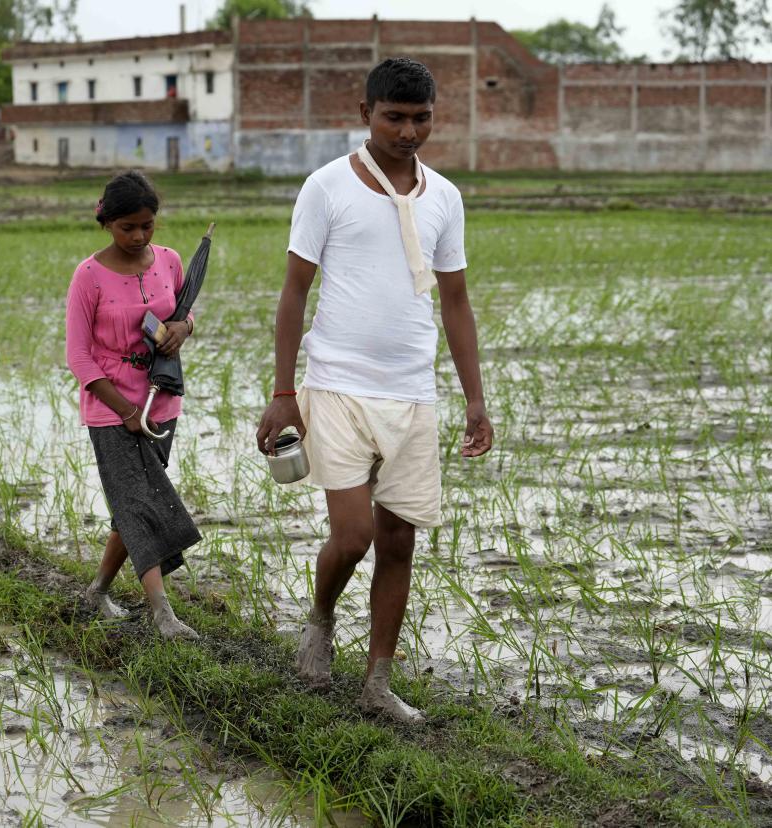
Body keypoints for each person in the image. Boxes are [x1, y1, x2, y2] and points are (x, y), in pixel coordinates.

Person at [255, 58, 494, 723]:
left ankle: (378, 683)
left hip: (414, 393)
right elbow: (295, 291)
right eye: (395, 117)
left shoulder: (444, 196)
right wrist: (283, 392)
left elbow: (456, 301)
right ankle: (321, 621)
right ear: (365, 114)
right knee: (354, 533)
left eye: (422, 118)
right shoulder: (326, 188)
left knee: (399, 541)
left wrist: (475, 399)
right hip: (337, 386)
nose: (409, 131)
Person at [66, 171, 201, 641]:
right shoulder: (89, 275)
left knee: (132, 506)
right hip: (112, 410)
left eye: (147, 225)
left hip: (161, 402)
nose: (139, 235)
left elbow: (183, 312)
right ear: (106, 222)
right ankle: (162, 613)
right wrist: (123, 410)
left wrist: (185, 328)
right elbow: (78, 356)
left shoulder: (169, 261)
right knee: (140, 502)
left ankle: (98, 589)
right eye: (128, 227)